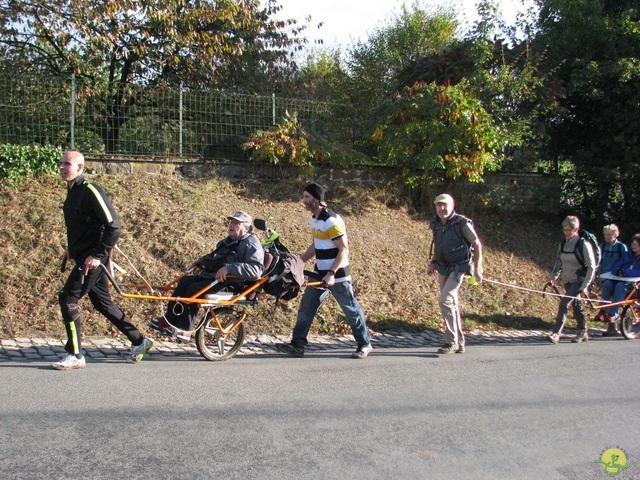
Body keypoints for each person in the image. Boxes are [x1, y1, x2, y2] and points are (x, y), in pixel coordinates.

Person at [54, 151, 153, 370]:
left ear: (80, 168)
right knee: (103, 303)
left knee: (67, 298)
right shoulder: (72, 192)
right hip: (83, 255)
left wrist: (98, 256)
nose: (61, 167)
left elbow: (113, 226)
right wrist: (71, 250)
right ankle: (139, 340)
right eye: (60, 163)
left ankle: (75, 354)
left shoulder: (90, 191)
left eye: (67, 164)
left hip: (93, 259)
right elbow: (83, 226)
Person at [276, 183, 373, 359]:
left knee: (351, 310)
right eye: (303, 197)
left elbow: (343, 249)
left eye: (306, 197)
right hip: (319, 272)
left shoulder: (331, 221)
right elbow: (316, 245)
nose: (303, 201)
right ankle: (298, 345)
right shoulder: (315, 218)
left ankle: (365, 344)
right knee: (306, 308)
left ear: (317, 199)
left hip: (338, 276)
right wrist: (299, 262)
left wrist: (332, 273)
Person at [149, 211, 264, 339]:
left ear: (246, 228)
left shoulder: (251, 243)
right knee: (185, 282)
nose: (231, 225)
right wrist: (201, 262)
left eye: (236, 223)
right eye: (231, 222)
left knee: (194, 289)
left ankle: (185, 329)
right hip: (214, 278)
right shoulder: (227, 241)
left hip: (232, 283)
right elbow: (216, 259)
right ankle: (169, 319)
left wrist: (230, 268)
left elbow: (256, 270)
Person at [427, 193, 483, 354]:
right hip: (443, 267)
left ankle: (451, 342)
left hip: (459, 267)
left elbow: (476, 244)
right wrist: (432, 262)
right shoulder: (436, 223)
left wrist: (477, 269)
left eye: (445, 205)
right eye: (439, 205)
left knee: (445, 300)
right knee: (452, 304)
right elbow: (438, 245)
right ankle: (460, 342)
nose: (442, 208)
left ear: (452, 206)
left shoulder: (462, 223)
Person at [546, 216, 596, 344]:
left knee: (564, 303)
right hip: (567, 279)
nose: (566, 232)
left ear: (576, 229)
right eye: (564, 230)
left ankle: (556, 333)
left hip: (579, 279)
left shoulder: (583, 244)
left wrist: (585, 285)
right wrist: (553, 278)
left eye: (568, 230)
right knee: (576, 305)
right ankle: (583, 331)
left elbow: (591, 266)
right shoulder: (563, 243)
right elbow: (559, 262)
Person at [598, 233, 640, 336]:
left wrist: (626, 272)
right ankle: (602, 311)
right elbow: (616, 265)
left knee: (620, 286)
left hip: (634, 287)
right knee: (608, 283)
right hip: (621, 280)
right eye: (632, 244)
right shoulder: (628, 254)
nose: (632, 246)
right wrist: (618, 271)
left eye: (635, 244)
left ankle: (614, 313)